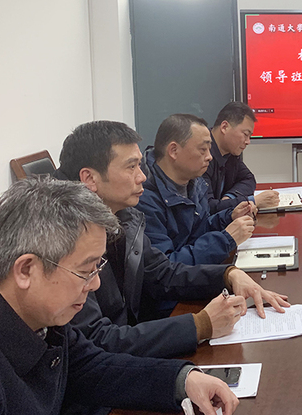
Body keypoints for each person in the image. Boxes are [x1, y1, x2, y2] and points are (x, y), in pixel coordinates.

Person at [0, 177, 238, 415]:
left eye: (98, 268)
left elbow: (88, 367)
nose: (95, 284)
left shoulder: (38, 311)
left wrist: (182, 380)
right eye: (85, 271)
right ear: (26, 270)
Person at [55, 121, 289, 358]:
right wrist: (200, 325)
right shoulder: (63, 237)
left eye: (139, 165)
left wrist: (227, 275)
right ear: (89, 178)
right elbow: (97, 341)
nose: (142, 176)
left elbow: (162, 272)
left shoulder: (123, 215)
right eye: (131, 167)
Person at [138, 113, 255, 265]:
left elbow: (199, 230)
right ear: (173, 151)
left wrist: (229, 217)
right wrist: (225, 239)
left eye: (209, 149)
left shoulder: (194, 183)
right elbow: (166, 267)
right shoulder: (143, 197)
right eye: (202, 150)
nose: (209, 157)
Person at [204, 101, 280, 214]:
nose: (248, 142)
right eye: (245, 134)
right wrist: (253, 201)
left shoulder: (230, 152)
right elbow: (208, 207)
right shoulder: (202, 155)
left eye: (250, 136)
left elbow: (248, 179)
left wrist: (230, 198)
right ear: (224, 127)